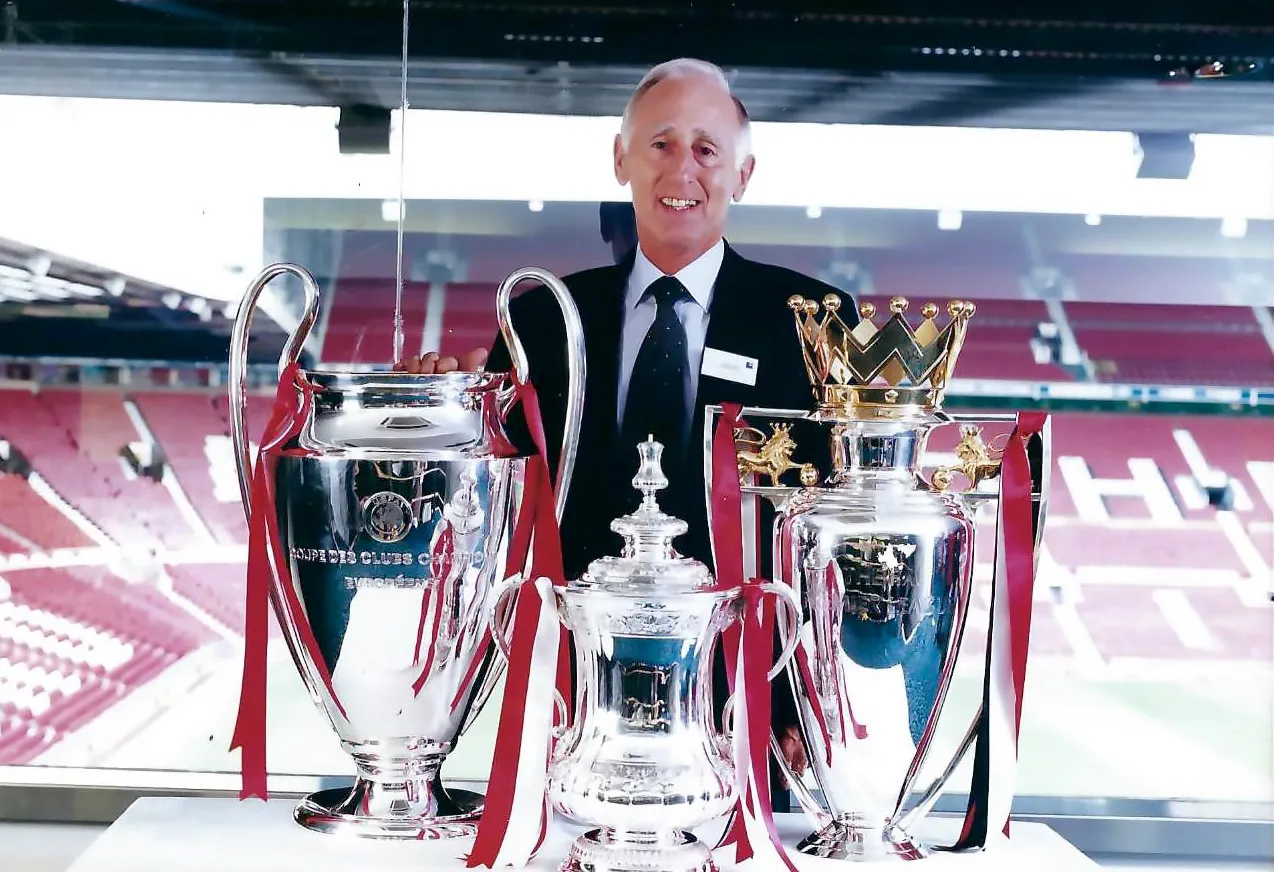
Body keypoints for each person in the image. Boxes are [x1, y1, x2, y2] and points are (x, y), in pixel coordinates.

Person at [400, 57, 858, 786]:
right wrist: (441, 413)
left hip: (748, 701)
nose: (683, 169)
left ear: (743, 175)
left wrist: (803, 700)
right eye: (661, 144)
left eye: (707, 150)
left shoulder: (813, 321)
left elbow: (829, 533)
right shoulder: (540, 318)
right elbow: (496, 510)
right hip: (576, 698)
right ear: (621, 159)